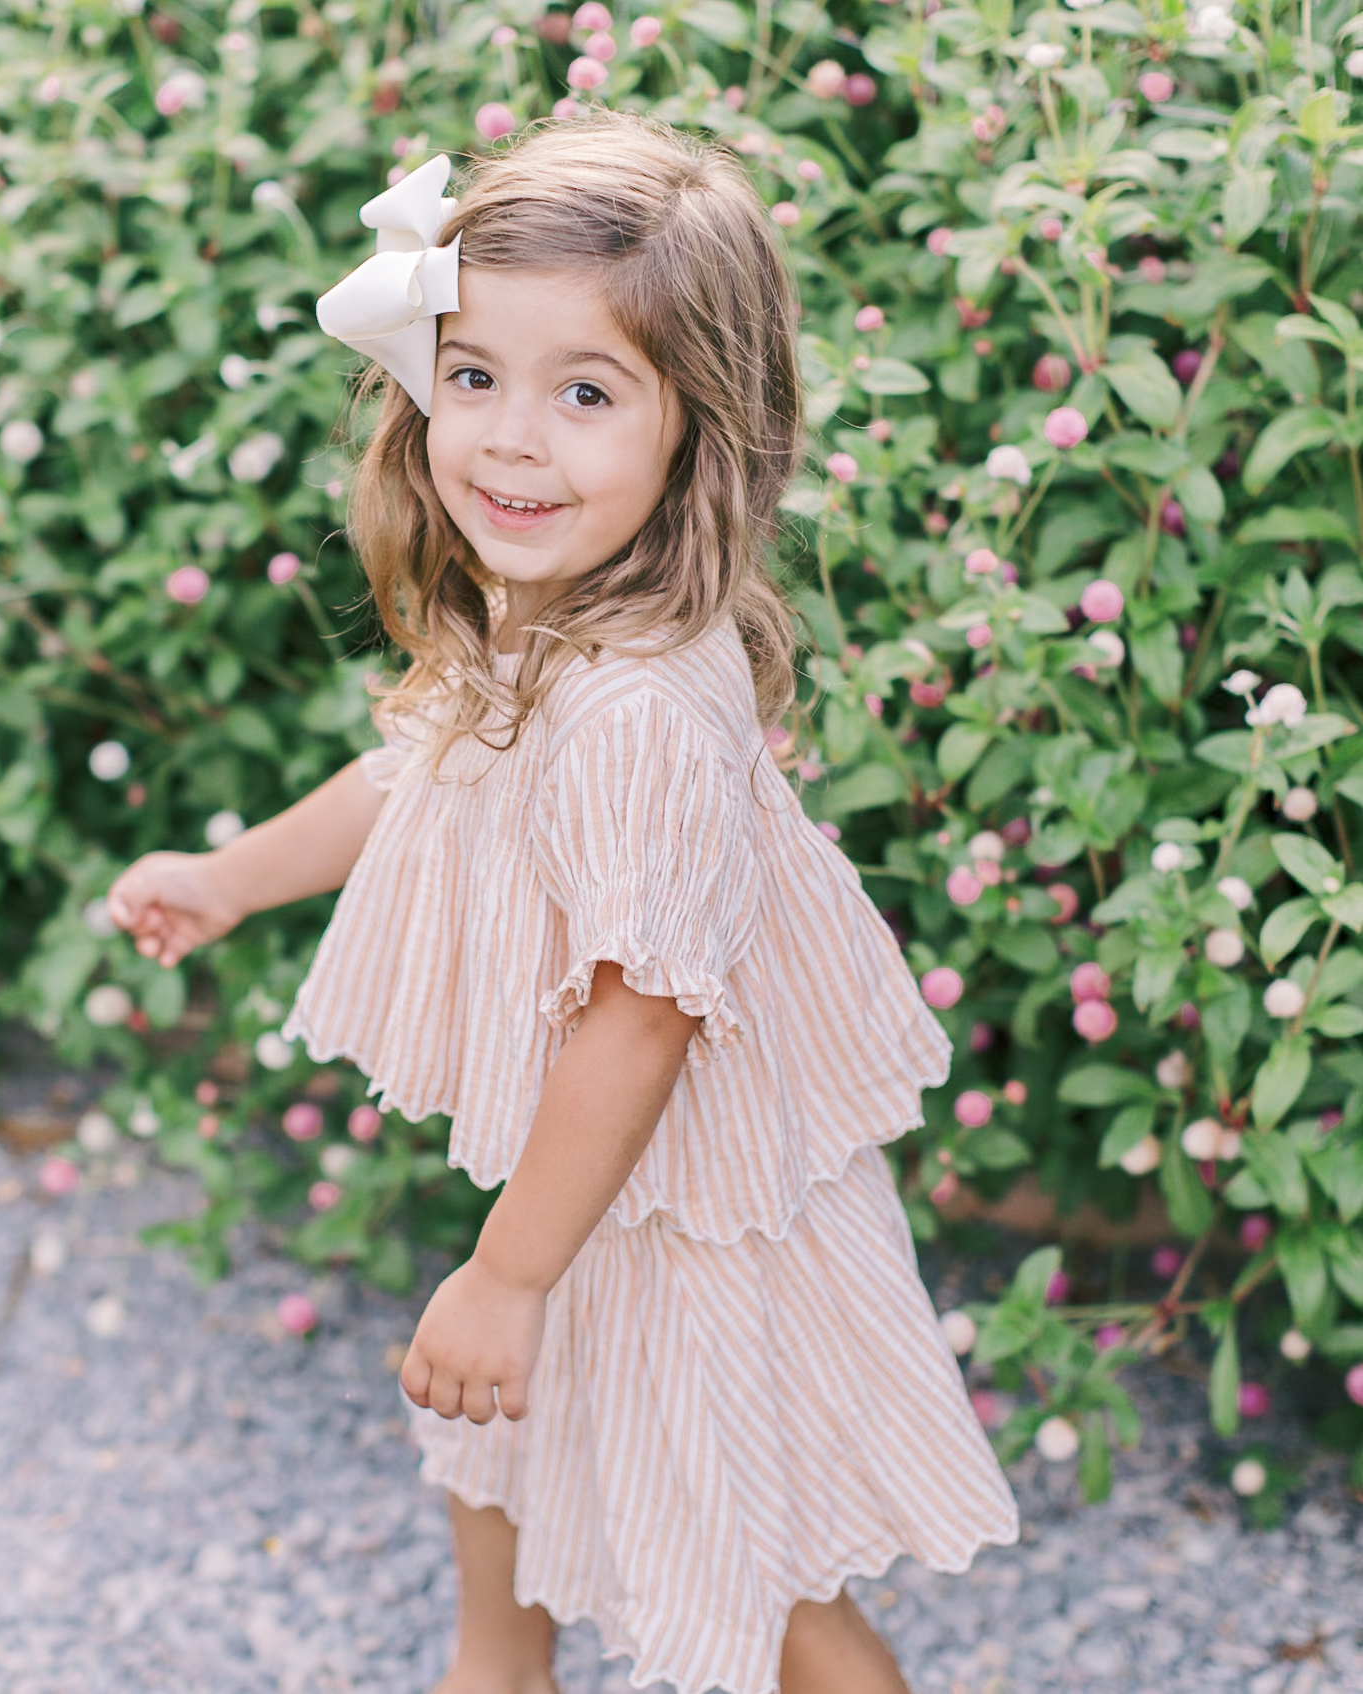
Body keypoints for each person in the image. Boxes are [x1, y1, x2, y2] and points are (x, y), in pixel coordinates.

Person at [107, 110, 1019, 1694]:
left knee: (754, 1553)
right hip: (601, 1174)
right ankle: (495, 1670)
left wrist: (511, 1269)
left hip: (700, 1200)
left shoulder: (644, 707)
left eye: (585, 394)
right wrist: (227, 878)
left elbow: (644, 1010)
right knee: (499, 1447)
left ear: (698, 431)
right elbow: (423, 762)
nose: (510, 440)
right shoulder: (552, 604)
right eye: (475, 377)